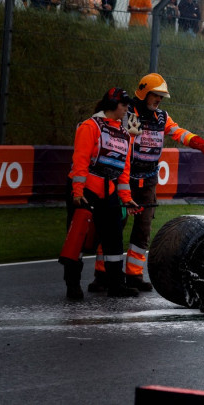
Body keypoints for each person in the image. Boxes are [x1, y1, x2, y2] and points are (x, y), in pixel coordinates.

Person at [89, 73, 204, 292]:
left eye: (161, 97)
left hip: (148, 181)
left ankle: (134, 275)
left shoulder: (161, 117)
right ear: (144, 92)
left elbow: (178, 132)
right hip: (125, 179)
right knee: (113, 227)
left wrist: (198, 142)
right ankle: (102, 274)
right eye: (156, 95)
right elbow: (124, 145)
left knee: (143, 229)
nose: (159, 100)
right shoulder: (130, 114)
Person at [58, 87, 141, 300]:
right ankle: (72, 285)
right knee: (78, 238)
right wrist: (77, 192)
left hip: (109, 190)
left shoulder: (124, 134)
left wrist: (126, 198)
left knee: (114, 238)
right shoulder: (89, 126)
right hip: (85, 189)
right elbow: (80, 162)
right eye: (124, 105)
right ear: (113, 105)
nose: (127, 110)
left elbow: (123, 170)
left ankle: (115, 285)